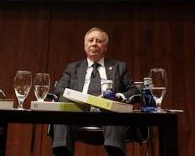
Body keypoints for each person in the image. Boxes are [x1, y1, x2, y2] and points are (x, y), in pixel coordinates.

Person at [51, 27, 138, 156]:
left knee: (114, 110)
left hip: (107, 113)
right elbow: (58, 90)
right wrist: (79, 97)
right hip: (78, 112)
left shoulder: (119, 66)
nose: (94, 44)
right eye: (90, 40)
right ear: (85, 46)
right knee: (63, 110)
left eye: (99, 41)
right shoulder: (73, 68)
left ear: (105, 47)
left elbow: (134, 90)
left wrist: (117, 96)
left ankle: (115, 151)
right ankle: (62, 152)